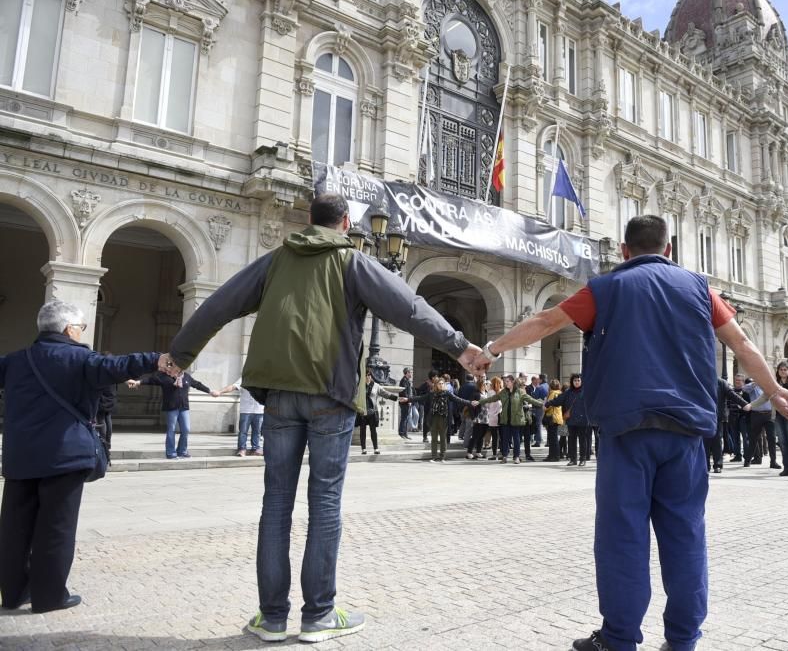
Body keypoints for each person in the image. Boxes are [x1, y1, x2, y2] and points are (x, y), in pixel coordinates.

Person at [166, 193, 481, 643]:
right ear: (345, 223)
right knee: (325, 504)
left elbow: (219, 304)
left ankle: (271, 617)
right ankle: (319, 615)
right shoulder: (353, 262)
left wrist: (180, 355)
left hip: (277, 395)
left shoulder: (276, 260)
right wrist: (458, 346)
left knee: (275, 504)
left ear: (308, 221)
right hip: (330, 394)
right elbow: (408, 308)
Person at [471, 215, 788, 651]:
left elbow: (546, 322)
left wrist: (490, 350)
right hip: (686, 434)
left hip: (627, 431)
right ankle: (682, 640)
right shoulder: (701, 289)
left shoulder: (606, 289)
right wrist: (776, 393)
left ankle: (619, 638)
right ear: (669, 249)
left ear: (624, 251)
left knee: (622, 537)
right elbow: (743, 346)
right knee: (686, 535)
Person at [0, 300, 172, 613]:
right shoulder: (81, 359)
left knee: (14, 529)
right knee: (56, 528)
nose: (81, 333)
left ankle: (12, 594)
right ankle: (49, 597)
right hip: (63, 458)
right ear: (69, 328)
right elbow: (120, 366)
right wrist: (157, 359)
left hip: (20, 457)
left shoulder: (14, 361)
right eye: (81, 327)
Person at [127, 370, 214, 459]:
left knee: (186, 429)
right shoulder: (164, 376)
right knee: (171, 429)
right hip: (171, 407)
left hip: (184, 407)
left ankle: (182, 451)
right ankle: (171, 453)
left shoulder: (186, 376)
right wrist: (137, 382)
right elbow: (151, 379)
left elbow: (197, 384)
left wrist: (210, 391)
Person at [750, 361, 788, 477]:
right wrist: (751, 405)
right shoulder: (774, 384)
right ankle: (787, 467)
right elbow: (764, 397)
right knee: (783, 442)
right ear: (778, 371)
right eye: (781, 369)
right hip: (778, 416)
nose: (783, 371)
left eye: (785, 369)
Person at [403, 378, 476, 461]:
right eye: (439, 383)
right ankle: (434, 456)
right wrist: (408, 399)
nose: (441, 385)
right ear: (436, 385)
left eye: (442, 383)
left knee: (443, 438)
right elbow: (421, 397)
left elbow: (458, 399)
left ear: (444, 385)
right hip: (434, 417)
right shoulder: (432, 394)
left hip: (443, 418)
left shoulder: (447, 393)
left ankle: (442, 457)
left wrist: (470, 402)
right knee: (434, 438)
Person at [478, 374, 543, 464]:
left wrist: (543, 404)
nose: (505, 383)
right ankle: (504, 456)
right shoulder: (503, 392)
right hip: (505, 419)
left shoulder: (520, 392)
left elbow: (531, 400)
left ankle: (516, 457)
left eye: (507, 381)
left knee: (516, 439)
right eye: (505, 381)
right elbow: (492, 398)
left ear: (513, 382)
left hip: (516, 420)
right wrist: (479, 402)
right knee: (505, 439)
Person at [546, 373, 592, 466]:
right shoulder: (568, 392)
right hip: (571, 420)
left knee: (583, 440)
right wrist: (548, 403)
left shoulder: (586, 392)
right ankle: (573, 459)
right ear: (572, 381)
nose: (577, 382)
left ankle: (583, 459)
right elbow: (558, 400)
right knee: (571, 441)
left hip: (583, 420)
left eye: (578, 380)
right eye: (575, 380)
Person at [216, 377, 266, 456]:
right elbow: (233, 387)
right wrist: (220, 391)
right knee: (243, 431)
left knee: (257, 432)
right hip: (246, 410)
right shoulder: (245, 378)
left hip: (259, 410)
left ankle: (255, 449)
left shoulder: (264, 379)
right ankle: (242, 449)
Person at [707, 378, 747, 474]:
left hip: (717, 416)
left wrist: (744, 404)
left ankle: (717, 465)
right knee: (705, 442)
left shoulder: (721, 383)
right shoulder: (701, 379)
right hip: (703, 415)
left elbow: (733, 395)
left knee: (717, 441)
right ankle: (705, 465)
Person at [742, 378, 780, 470]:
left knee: (771, 438)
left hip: (769, 415)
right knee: (753, 438)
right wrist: (755, 383)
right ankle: (747, 460)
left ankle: (773, 461)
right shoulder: (753, 386)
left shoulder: (769, 387)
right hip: (756, 415)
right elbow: (744, 388)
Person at [356, 371, 398, 455]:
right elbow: (355, 396)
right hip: (362, 411)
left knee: (373, 430)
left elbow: (385, 393)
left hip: (372, 411)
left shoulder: (376, 386)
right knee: (362, 430)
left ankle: (376, 448)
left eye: (369, 375)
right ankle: (363, 449)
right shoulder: (360, 386)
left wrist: (396, 398)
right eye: (366, 375)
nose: (368, 376)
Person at [726, 373, 750, 463]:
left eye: (739, 381)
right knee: (735, 436)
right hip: (733, 415)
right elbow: (727, 403)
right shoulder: (730, 391)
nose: (737, 382)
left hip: (743, 416)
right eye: (736, 380)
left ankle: (747, 456)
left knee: (745, 436)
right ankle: (737, 455)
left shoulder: (746, 392)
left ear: (743, 382)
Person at [544, 379, 564, 462]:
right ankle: (557, 455)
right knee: (556, 437)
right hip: (559, 418)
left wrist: (544, 406)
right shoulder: (560, 393)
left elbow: (548, 406)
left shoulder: (552, 393)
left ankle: (553, 456)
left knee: (552, 438)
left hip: (552, 418)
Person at [416, 370, 438, 443]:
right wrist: (423, 400)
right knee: (426, 422)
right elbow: (418, 391)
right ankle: (425, 437)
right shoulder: (426, 384)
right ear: (432, 377)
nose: (437, 377)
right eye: (436, 376)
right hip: (428, 406)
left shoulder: (437, 384)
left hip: (435, 406)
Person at [531, 373, 549, 447]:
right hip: (548, 407)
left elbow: (535, 397)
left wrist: (532, 393)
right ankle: (548, 441)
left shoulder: (539, 387)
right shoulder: (548, 386)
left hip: (539, 408)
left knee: (538, 424)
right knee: (547, 425)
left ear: (541, 379)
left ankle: (538, 441)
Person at [397, 367, 414, 440]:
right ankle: (401, 433)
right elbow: (404, 393)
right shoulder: (404, 381)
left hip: (407, 402)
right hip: (404, 402)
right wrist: (409, 400)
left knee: (406, 418)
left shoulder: (407, 380)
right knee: (404, 418)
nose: (411, 374)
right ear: (407, 373)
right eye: (410, 372)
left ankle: (405, 433)